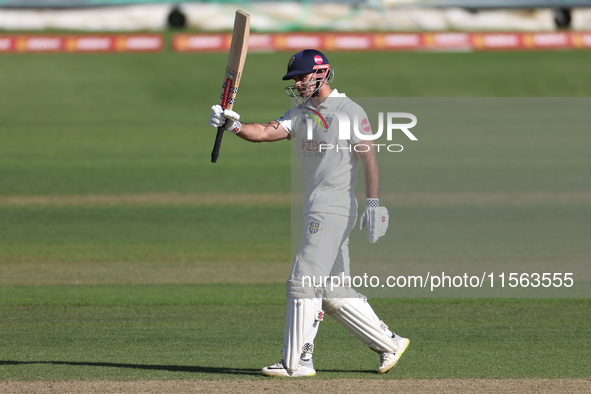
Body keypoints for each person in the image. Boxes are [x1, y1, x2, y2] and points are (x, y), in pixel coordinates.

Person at [209, 49, 409, 377]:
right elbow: (263, 132)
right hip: (316, 208)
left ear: (323, 73)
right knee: (332, 292)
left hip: (334, 209)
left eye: (303, 77)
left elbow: (369, 157)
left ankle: (298, 361)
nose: (299, 84)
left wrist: (374, 203)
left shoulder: (348, 110)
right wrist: (234, 125)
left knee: (303, 282)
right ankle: (390, 343)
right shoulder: (302, 112)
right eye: (295, 79)